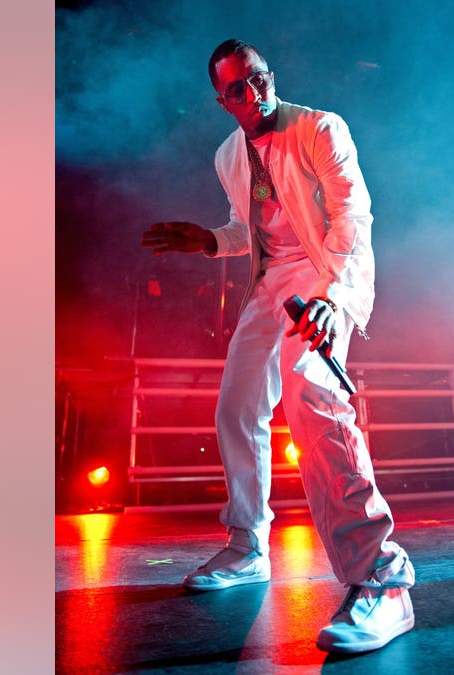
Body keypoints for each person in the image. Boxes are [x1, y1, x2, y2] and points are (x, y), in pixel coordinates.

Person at [141, 39, 414, 654]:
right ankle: (247, 546)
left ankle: (383, 578)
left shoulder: (319, 127)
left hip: (324, 275)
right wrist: (209, 241)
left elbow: (352, 216)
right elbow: (252, 228)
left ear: (270, 76)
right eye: (237, 90)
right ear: (221, 101)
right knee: (236, 408)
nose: (253, 94)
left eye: (258, 79)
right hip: (271, 285)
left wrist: (333, 295)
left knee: (313, 400)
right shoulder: (227, 155)